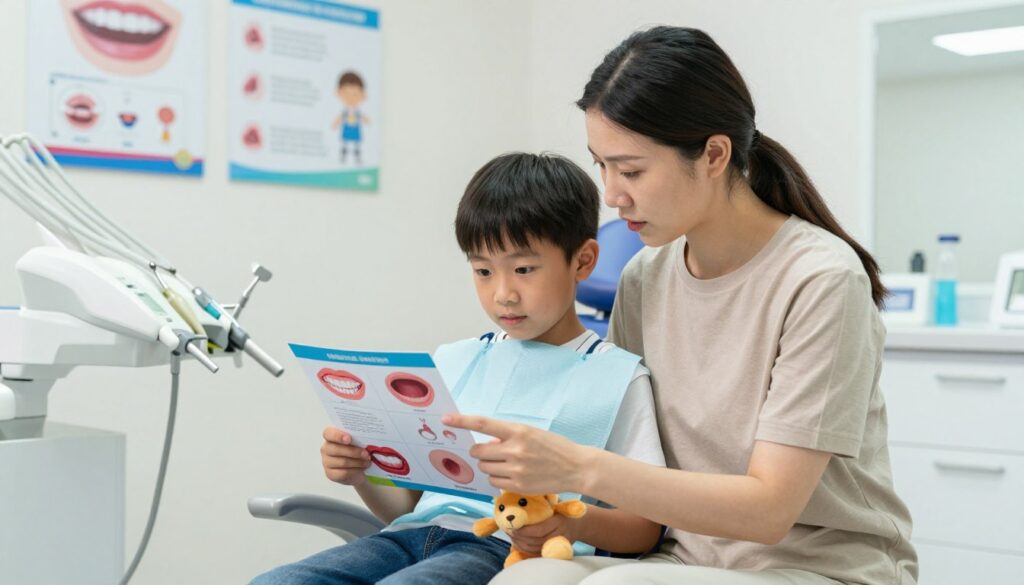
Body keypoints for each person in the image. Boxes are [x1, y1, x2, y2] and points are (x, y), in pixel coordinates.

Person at [444, 27, 918, 585]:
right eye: (602, 166)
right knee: (525, 578)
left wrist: (576, 466)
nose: (612, 194)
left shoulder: (820, 279)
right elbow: (628, 457)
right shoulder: (645, 277)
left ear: (714, 154)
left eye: (631, 170)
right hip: (683, 560)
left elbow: (769, 510)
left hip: (817, 568)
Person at [251, 152, 664, 585]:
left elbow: (645, 525)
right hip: (409, 536)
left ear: (582, 260)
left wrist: (570, 525)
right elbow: (409, 508)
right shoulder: (454, 362)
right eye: (483, 271)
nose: (503, 293)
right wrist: (361, 476)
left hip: (504, 551)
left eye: (523, 269)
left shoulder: (618, 377)